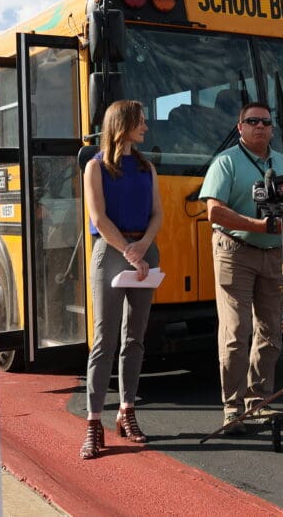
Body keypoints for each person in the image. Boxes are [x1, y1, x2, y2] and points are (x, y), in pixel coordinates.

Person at [199, 101, 283, 434]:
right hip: (234, 251)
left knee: (271, 332)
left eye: (266, 122)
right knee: (236, 333)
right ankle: (233, 409)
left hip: (275, 254)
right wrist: (260, 226)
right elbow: (214, 212)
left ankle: (260, 404)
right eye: (252, 121)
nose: (260, 126)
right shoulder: (225, 162)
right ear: (240, 127)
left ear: (272, 128)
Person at [79, 100, 164, 459]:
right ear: (122, 125)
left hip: (144, 250)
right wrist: (129, 250)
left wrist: (143, 245)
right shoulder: (96, 167)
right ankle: (93, 422)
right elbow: (98, 215)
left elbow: (157, 214)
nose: (145, 126)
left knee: (135, 338)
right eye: (139, 121)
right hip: (110, 251)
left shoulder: (147, 167)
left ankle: (127, 410)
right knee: (104, 338)